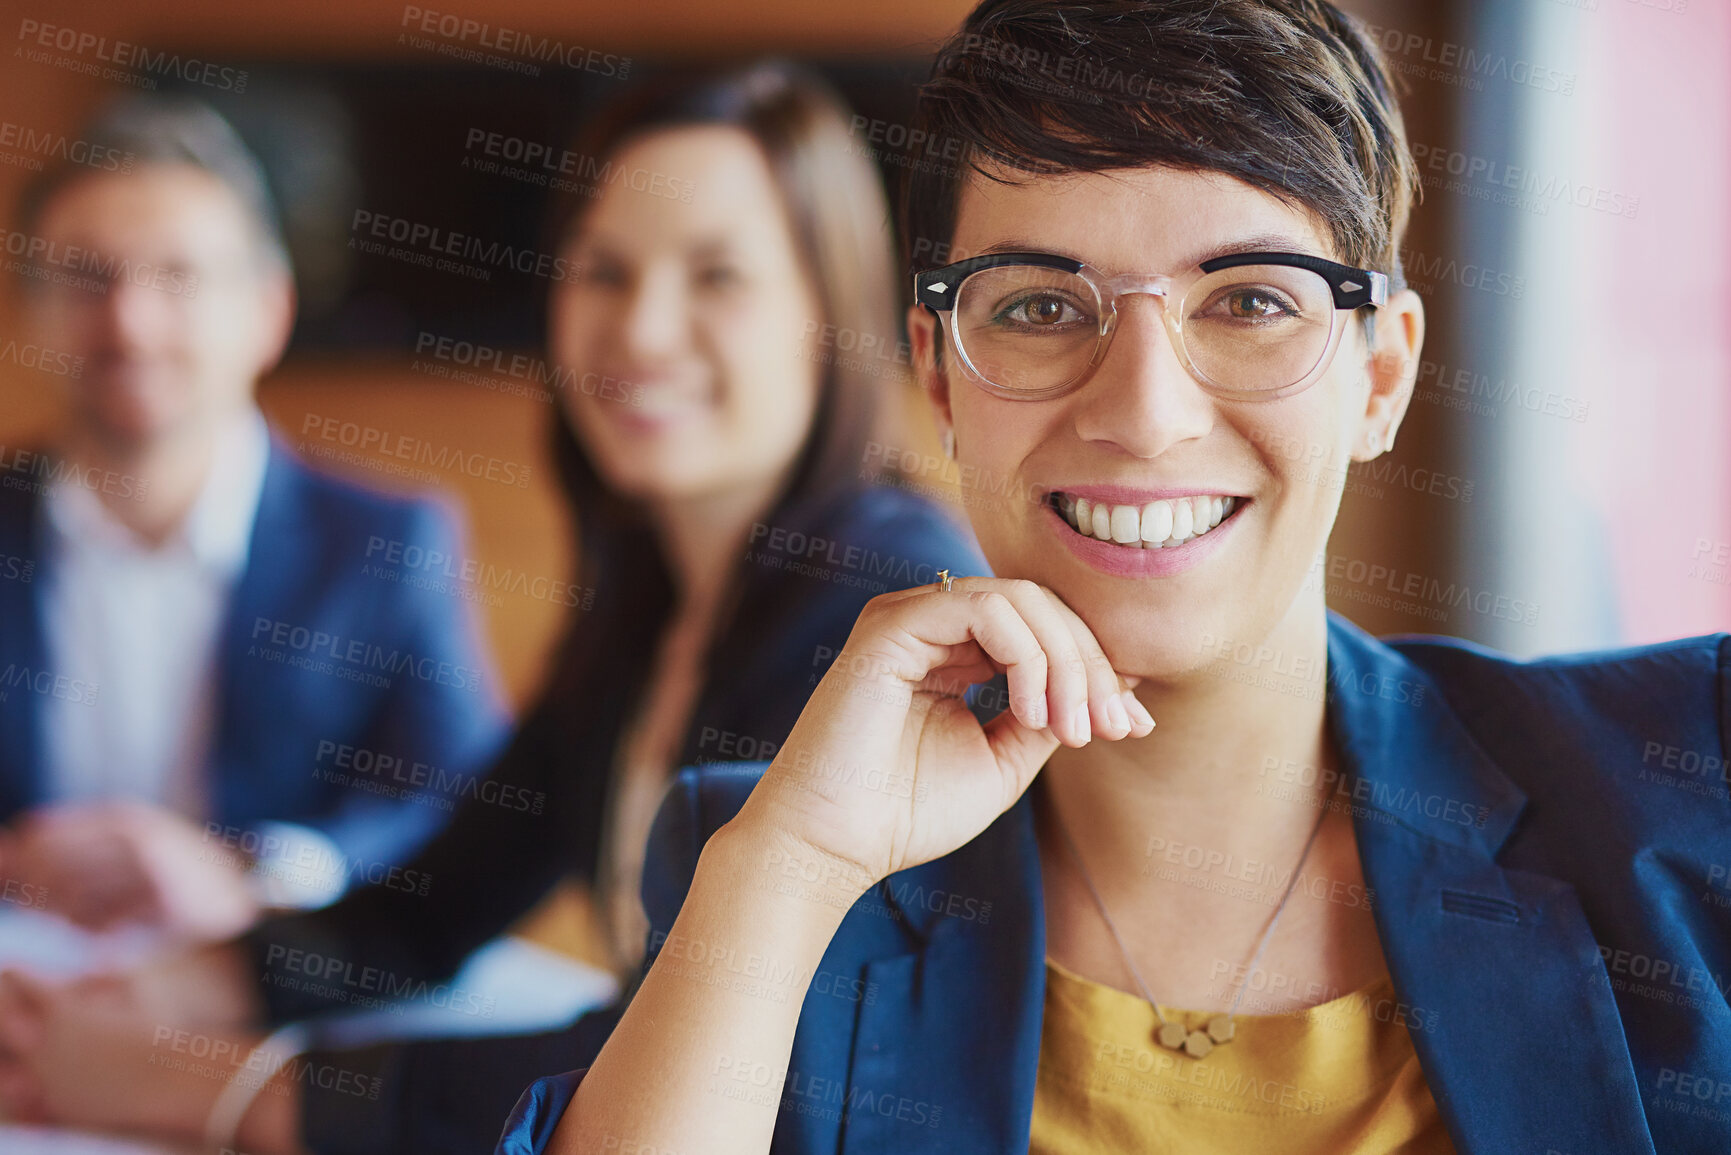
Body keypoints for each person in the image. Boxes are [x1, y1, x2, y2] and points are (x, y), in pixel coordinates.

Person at [488, 3, 1730, 1154]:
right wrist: (794, 867)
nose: (1143, 412)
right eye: (1037, 307)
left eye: (1248, 299)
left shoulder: (1682, 789)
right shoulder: (778, 867)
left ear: (1382, 376)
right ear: (937, 378)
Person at [0, 63, 987, 1154]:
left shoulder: (885, 596)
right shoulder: (647, 594)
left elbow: (693, 1052)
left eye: (717, 276)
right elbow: (429, 906)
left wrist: (218, 1088)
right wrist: (163, 993)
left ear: (830, 310)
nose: (643, 332)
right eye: (604, 274)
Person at [0, 96, 508, 939]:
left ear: (268, 311)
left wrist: (258, 871)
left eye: (178, 277)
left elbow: (459, 805)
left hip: (258, 990)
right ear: (31, 314)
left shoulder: (390, 541)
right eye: (87, 277)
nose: (129, 321)